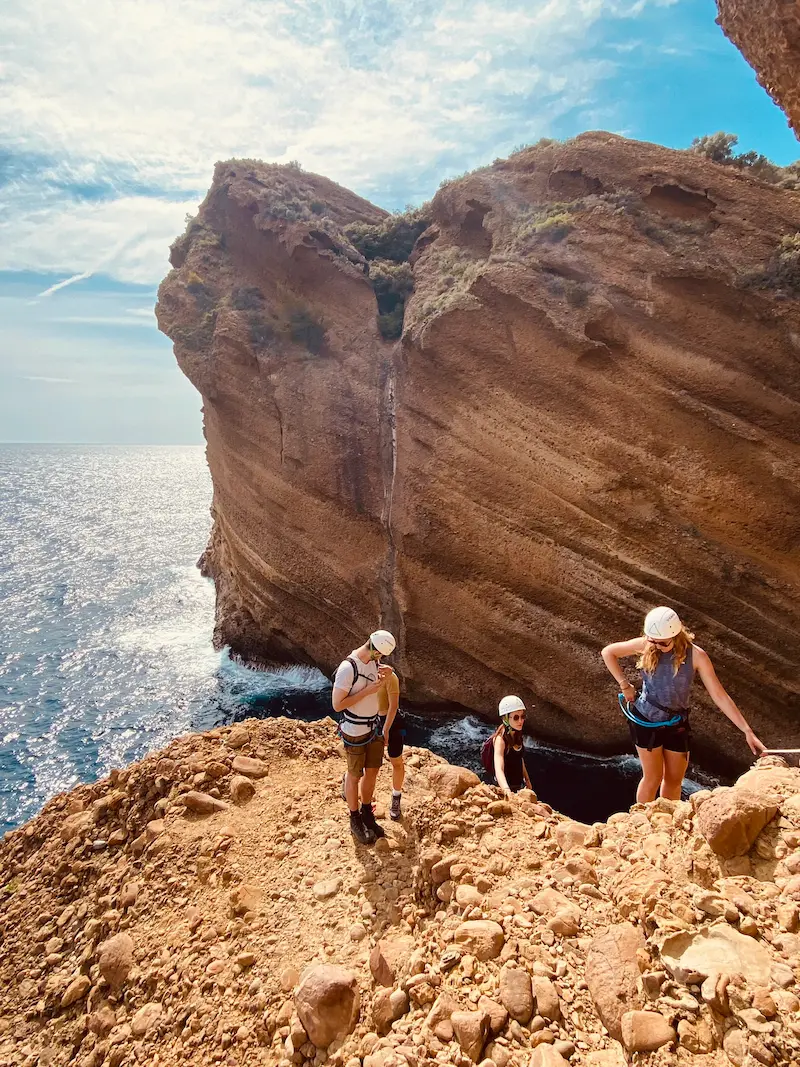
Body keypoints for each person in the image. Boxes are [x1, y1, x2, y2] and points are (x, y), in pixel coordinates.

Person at [601, 605, 766, 804]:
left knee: (674, 780)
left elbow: (719, 695)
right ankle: (642, 822)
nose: (656, 646)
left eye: (662, 643)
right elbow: (608, 652)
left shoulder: (696, 656)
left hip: (676, 723)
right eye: (653, 641)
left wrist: (747, 730)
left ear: (675, 635)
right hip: (646, 720)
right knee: (653, 778)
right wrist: (624, 685)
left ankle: (667, 821)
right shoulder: (647, 644)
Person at [332, 629, 396, 845]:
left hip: (373, 727)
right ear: (373, 648)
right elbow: (337, 704)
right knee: (354, 775)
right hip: (355, 729)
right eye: (380, 654)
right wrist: (367, 692)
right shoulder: (348, 668)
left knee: (372, 771)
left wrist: (388, 672)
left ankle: (367, 811)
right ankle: (354, 818)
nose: (381, 659)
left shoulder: (373, 663)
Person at [490, 695, 534, 795]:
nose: (520, 721)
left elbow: (519, 758)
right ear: (505, 719)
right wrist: (506, 790)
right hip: (505, 787)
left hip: (518, 785)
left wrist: (527, 780)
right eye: (516, 717)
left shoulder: (517, 735)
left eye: (522, 716)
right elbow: (499, 769)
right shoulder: (500, 740)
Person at [378, 666, 404, 820]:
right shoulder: (364, 672)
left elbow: (393, 706)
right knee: (368, 762)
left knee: (396, 761)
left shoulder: (390, 676)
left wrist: (385, 729)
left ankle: (396, 797)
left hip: (391, 722)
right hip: (372, 719)